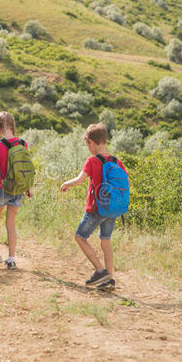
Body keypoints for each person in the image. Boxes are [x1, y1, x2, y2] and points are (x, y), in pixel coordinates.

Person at [59, 123, 128, 291]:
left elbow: (80, 180)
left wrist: (66, 183)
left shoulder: (92, 160)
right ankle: (109, 279)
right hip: (112, 209)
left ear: (91, 142)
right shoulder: (117, 161)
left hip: (96, 209)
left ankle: (100, 270)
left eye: (87, 144)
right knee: (106, 243)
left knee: (80, 237)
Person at [0, 111, 32, 270]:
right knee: (10, 223)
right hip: (18, 189)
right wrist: (28, 188)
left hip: (1, 188)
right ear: (12, 125)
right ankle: (11, 259)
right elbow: (23, 168)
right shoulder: (23, 144)